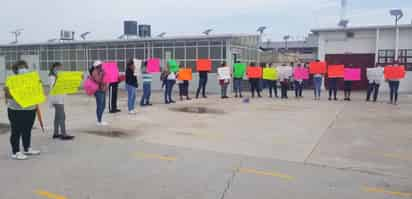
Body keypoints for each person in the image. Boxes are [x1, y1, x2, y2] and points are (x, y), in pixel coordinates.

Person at [4, 60, 41, 160]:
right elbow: (7, 95)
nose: (23, 69)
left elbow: (37, 92)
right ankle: (15, 152)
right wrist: (18, 93)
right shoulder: (11, 79)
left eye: (24, 67)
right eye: (21, 68)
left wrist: (37, 85)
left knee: (27, 130)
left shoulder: (31, 79)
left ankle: (27, 148)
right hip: (16, 110)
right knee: (16, 130)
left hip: (30, 109)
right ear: (15, 70)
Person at [48, 62, 74, 140]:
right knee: (62, 116)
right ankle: (63, 134)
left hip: (59, 98)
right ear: (54, 68)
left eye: (60, 68)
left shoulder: (57, 75)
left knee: (57, 116)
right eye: (58, 68)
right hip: (56, 99)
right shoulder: (52, 76)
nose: (59, 69)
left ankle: (56, 133)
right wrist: (61, 81)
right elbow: (53, 86)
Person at [89, 60, 108, 125]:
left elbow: (104, 80)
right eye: (100, 65)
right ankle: (99, 121)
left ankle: (100, 119)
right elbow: (98, 81)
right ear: (97, 66)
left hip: (103, 89)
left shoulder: (101, 71)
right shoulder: (94, 72)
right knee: (100, 106)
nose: (101, 66)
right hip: (98, 91)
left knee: (103, 105)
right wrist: (102, 75)